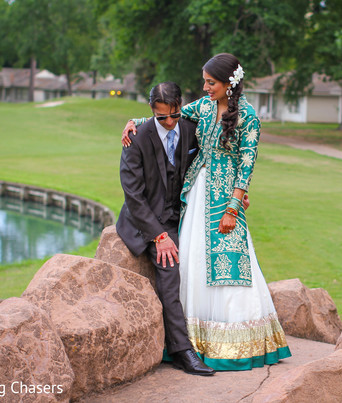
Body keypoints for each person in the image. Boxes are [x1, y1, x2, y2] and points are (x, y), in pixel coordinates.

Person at [123, 53, 291, 371]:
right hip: (196, 193)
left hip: (226, 198)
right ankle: (192, 342)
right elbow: (174, 116)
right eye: (204, 81)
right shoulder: (203, 106)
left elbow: (247, 163)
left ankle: (239, 343)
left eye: (210, 82)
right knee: (193, 260)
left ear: (230, 82)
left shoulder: (248, 116)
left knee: (231, 263)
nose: (205, 87)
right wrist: (137, 122)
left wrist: (233, 206)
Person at [115, 81, 215, 376]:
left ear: (180, 106)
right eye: (162, 118)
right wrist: (159, 236)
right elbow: (133, 195)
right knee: (170, 267)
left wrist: (239, 192)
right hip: (149, 220)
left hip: (181, 215)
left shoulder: (187, 127)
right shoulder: (136, 138)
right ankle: (182, 350)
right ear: (151, 111)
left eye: (174, 115)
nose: (170, 123)